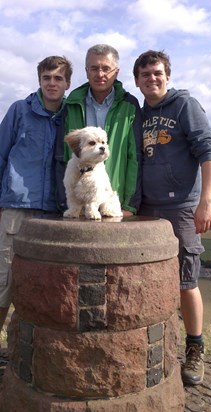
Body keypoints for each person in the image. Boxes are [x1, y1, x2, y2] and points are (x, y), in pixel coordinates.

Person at [133, 50, 211, 385]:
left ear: (167, 76)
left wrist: (206, 201)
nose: (152, 79)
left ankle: (195, 349)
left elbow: (208, 152)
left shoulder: (185, 106)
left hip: (181, 207)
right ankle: (150, 344)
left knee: (186, 281)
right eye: (145, 74)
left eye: (157, 73)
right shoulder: (138, 115)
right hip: (144, 210)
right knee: (145, 282)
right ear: (137, 80)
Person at [0, 55, 73, 360]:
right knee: (4, 280)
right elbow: (1, 154)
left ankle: (35, 350)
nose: (52, 83)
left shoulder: (72, 115)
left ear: (67, 83)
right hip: (17, 207)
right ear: (39, 80)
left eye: (58, 78)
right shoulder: (20, 110)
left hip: (55, 212)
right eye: (47, 78)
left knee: (46, 285)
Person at [55, 44, 142, 216]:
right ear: (86, 71)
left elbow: (135, 158)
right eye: (94, 68)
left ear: (116, 72)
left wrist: (129, 205)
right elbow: (61, 156)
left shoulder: (129, 105)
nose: (100, 74)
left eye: (106, 68)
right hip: (77, 207)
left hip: (115, 204)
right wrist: (66, 203)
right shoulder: (71, 105)